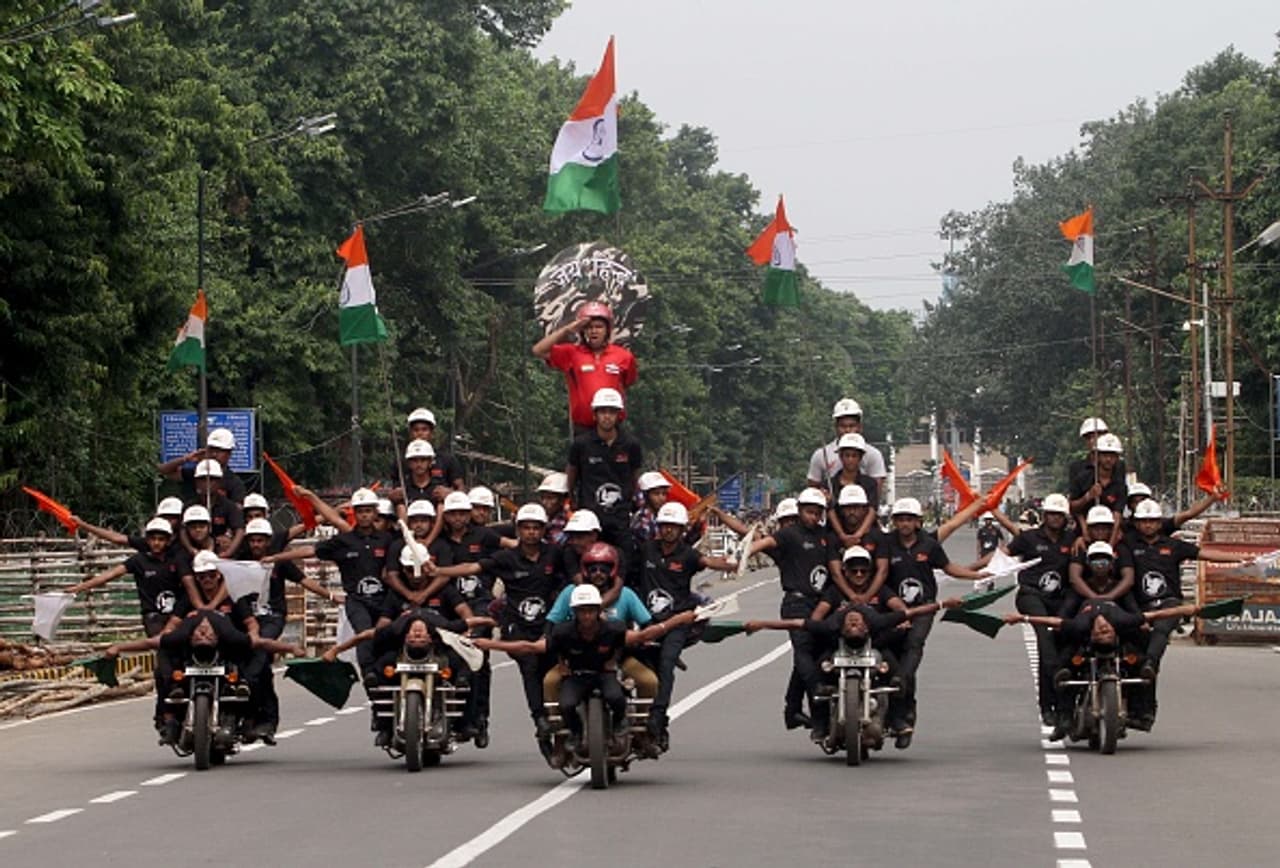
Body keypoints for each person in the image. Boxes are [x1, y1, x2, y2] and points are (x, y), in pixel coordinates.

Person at [479, 585, 694, 756]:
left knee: (617, 698)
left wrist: (676, 620)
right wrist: (489, 644)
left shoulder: (613, 628)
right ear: (575, 613)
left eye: (591, 611)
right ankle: (572, 733)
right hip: (576, 675)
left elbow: (643, 636)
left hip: (604, 674)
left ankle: (621, 723)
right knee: (566, 704)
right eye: (582, 612)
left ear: (599, 611)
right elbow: (530, 647)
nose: (587, 616)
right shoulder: (563, 632)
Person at [431, 504, 567, 742]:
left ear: (544, 530)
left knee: (556, 668)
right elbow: (472, 567)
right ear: (518, 530)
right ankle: (539, 718)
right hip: (518, 626)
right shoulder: (506, 557)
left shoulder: (555, 554)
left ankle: (568, 717)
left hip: (549, 624)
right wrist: (439, 570)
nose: (531, 533)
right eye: (526, 528)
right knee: (530, 665)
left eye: (536, 528)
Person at [875, 496, 990, 747]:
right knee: (892, 657)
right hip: (893, 609)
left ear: (918, 522)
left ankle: (902, 693)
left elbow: (949, 568)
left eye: (909, 519)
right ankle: (901, 714)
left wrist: (976, 575)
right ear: (893, 521)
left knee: (914, 645)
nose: (904, 524)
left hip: (924, 607)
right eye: (900, 519)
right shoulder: (885, 544)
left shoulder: (929, 544)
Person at [105, 608, 301, 746]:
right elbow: (150, 642)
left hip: (226, 663)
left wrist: (290, 648)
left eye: (207, 635)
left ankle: (250, 719)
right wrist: (118, 647)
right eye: (199, 635)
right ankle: (168, 719)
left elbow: (260, 643)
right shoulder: (182, 633)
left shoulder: (229, 633)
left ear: (217, 637)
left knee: (252, 674)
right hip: (188, 667)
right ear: (190, 637)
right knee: (163, 672)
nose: (203, 634)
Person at [67, 516, 188, 738]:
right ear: (148, 540)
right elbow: (110, 574)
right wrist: (79, 588)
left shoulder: (179, 558)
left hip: (180, 615)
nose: (157, 543)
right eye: (153, 539)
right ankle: (167, 715)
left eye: (162, 539)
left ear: (169, 540)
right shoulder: (138, 561)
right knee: (164, 660)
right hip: (154, 618)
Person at [1126, 499, 1241, 728]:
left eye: (1152, 521)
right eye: (1143, 521)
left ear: (1159, 523)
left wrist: (1240, 559)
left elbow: (1205, 554)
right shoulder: (1127, 545)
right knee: (1135, 659)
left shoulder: (1174, 545)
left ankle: (1150, 669)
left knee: (1157, 640)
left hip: (1170, 603)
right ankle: (1140, 710)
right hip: (1138, 606)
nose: (1148, 526)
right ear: (1136, 524)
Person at [632, 502, 738, 746]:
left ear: (681, 530)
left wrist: (736, 561)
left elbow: (714, 563)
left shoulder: (689, 555)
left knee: (667, 664)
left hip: (677, 622)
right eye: (665, 526)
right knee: (641, 668)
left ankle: (658, 718)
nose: (668, 531)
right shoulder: (646, 550)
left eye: (674, 527)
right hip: (646, 622)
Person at [264, 487, 391, 679]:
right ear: (354, 513)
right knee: (364, 633)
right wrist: (277, 557)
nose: (364, 515)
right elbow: (310, 550)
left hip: (385, 600)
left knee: (386, 636)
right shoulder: (344, 541)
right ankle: (369, 675)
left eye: (368, 511)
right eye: (360, 511)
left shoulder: (388, 540)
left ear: (375, 513)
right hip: (357, 601)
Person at [745, 488, 843, 733]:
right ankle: (817, 710)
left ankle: (793, 710)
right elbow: (765, 542)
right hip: (796, 603)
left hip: (824, 604)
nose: (813, 517)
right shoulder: (789, 535)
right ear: (799, 511)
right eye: (809, 512)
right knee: (804, 653)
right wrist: (744, 552)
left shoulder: (827, 536)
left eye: (818, 513)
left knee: (820, 655)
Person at [324, 607, 483, 747]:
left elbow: (469, 623)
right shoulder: (396, 629)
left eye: (419, 638)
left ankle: (465, 722)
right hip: (401, 658)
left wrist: (491, 621)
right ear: (405, 638)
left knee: (466, 665)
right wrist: (336, 650)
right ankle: (384, 723)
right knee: (379, 668)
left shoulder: (442, 628)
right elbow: (364, 635)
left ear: (430, 638)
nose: (417, 634)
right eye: (415, 638)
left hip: (437, 656)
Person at [242, 518, 340, 739]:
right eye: (253, 541)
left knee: (257, 663)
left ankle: (266, 719)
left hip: (272, 618)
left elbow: (304, 580)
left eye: (261, 540)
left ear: (268, 542)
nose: (256, 545)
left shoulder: (279, 561)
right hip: (245, 617)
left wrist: (332, 596)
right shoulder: (240, 561)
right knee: (245, 663)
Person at [987, 493, 1076, 726]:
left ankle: (1066, 707)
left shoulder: (1073, 539)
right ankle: (1047, 706)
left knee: (1068, 644)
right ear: (1044, 515)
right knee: (1045, 642)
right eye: (1051, 514)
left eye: (1059, 515)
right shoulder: (1028, 538)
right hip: (1032, 595)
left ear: (1065, 517)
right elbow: (1003, 556)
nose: (1055, 519)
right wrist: (984, 573)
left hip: (1062, 598)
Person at [533, 301, 638, 434]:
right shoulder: (572, 353)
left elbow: (628, 382)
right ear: (583, 331)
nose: (594, 331)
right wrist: (567, 330)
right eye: (588, 327)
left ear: (607, 330)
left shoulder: (624, 356)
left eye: (599, 327)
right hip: (583, 428)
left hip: (613, 427)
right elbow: (538, 350)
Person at [566, 388, 642, 567]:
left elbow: (634, 475)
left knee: (624, 561)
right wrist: (571, 498)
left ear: (618, 415)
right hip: (590, 516)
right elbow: (572, 471)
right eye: (602, 411)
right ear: (595, 415)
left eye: (611, 412)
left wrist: (631, 499)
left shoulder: (631, 444)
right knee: (587, 561)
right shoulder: (581, 444)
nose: (607, 416)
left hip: (620, 516)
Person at [1064, 506, 1136, 615]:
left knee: (1130, 602)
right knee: (1069, 603)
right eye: (1096, 528)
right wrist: (1094, 597)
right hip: (1086, 591)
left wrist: (1109, 596)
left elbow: (1128, 579)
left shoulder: (1120, 548)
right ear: (1088, 529)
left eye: (1104, 528)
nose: (1100, 532)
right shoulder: (1081, 546)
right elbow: (1074, 578)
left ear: (1111, 529)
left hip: (1114, 591)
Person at [806, 398, 888, 491]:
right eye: (843, 426)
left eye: (852, 426)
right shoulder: (821, 455)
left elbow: (875, 492)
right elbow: (812, 492)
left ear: (860, 427)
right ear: (836, 427)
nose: (847, 430)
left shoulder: (873, 455)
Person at [387, 407, 465, 501]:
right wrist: (392, 495)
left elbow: (461, 489)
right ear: (410, 433)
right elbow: (392, 488)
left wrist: (450, 494)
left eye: (424, 430)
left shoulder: (447, 459)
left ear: (432, 433)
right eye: (416, 430)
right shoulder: (401, 461)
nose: (420, 434)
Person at [158, 427, 247, 505]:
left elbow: (237, 510)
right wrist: (186, 459)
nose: (214, 454)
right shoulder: (194, 472)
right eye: (212, 449)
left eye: (220, 451)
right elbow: (163, 471)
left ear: (229, 453)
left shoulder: (234, 482)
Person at [1121, 481, 1225, 544]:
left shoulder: (1163, 524)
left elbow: (1189, 514)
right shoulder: (1124, 527)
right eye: (1135, 501)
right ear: (1129, 505)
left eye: (1143, 500)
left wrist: (1212, 498)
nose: (1140, 504)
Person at [1068, 432, 1127, 544]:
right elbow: (1073, 507)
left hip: (1110, 534)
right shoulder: (1082, 478)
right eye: (1105, 455)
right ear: (1097, 456)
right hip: (1083, 532)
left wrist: (1110, 545)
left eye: (1112, 455)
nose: (1108, 459)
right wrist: (1088, 497)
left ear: (1117, 458)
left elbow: (1117, 515)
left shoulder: (1120, 485)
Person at [825, 433, 880, 544]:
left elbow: (872, 510)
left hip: (866, 534)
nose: (850, 459)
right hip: (836, 535)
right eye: (847, 455)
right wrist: (842, 535)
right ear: (840, 456)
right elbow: (830, 511)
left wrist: (858, 535)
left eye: (854, 456)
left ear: (860, 457)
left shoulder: (870, 483)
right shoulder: (829, 484)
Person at [187, 459, 244, 557]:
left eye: (212, 479)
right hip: (195, 552)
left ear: (220, 482)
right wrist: (191, 549)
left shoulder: (229, 506)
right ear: (196, 482)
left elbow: (239, 530)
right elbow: (182, 530)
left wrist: (228, 552)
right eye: (202, 479)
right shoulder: (189, 506)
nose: (207, 483)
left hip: (221, 551)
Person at [537, 472, 572, 544]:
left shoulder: (564, 517)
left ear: (563, 499)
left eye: (550, 498)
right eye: (542, 498)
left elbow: (552, 544)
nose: (544, 502)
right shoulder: (548, 516)